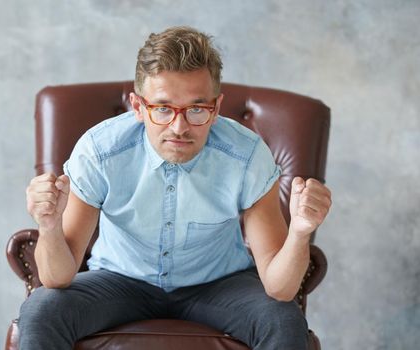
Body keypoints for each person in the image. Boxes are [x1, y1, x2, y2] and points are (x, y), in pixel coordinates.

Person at [19, 26, 332, 350]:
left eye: (197, 109)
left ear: (217, 107)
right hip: (118, 281)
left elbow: (279, 289)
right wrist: (49, 226)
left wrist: (300, 231)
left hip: (218, 285)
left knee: (282, 318)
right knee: (43, 310)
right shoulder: (99, 152)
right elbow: (56, 277)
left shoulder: (247, 155)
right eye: (163, 108)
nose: (179, 127)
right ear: (139, 107)